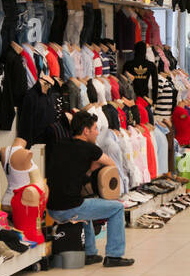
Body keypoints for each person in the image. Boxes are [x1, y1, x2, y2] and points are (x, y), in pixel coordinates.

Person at [45, 111, 133, 267]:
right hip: (70, 208)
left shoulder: (60, 144)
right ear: (86, 131)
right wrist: (94, 167)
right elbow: (111, 164)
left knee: (86, 204)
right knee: (117, 208)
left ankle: (90, 253)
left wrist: (88, 169)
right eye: (95, 129)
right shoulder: (90, 149)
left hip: (51, 208)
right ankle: (114, 255)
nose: (98, 132)